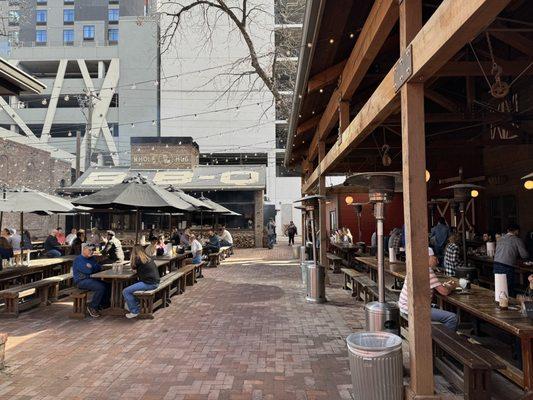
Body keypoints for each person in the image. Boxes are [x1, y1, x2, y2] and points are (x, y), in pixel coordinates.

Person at [398, 247, 458, 331]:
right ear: (426, 258)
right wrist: (452, 286)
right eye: (434, 257)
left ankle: (438, 336)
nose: (436, 260)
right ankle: (441, 340)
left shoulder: (415, 267)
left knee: (437, 308)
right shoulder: (427, 271)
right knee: (452, 318)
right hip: (414, 308)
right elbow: (444, 292)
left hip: (405, 306)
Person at [122, 245, 160, 319]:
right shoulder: (147, 258)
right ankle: (136, 304)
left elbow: (133, 267)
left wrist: (132, 258)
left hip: (149, 284)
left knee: (126, 291)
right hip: (155, 282)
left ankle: (134, 311)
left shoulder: (137, 259)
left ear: (134, 252)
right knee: (132, 287)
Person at [72, 244, 110, 317]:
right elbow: (87, 271)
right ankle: (92, 306)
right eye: (90, 250)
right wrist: (92, 268)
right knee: (100, 287)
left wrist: (91, 266)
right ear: (84, 250)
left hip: (91, 279)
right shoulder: (78, 259)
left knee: (108, 284)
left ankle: (103, 305)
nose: (92, 252)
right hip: (81, 281)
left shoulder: (91, 258)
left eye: (93, 250)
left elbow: (99, 267)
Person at [494, 224, 529, 297]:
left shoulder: (500, 238)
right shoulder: (517, 240)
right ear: (516, 231)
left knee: (499, 287)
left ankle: (499, 303)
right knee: (509, 288)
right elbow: (524, 255)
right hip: (506, 267)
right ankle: (509, 305)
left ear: (508, 231)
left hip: (496, 265)